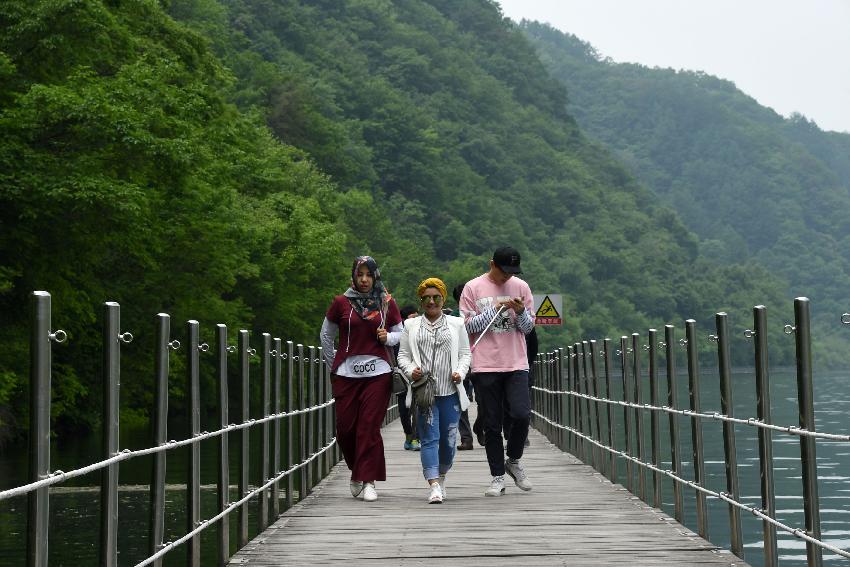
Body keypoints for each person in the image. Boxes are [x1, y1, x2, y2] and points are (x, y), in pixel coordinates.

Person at [320, 256, 403, 502]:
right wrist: (332, 366)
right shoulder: (340, 303)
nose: (365, 279)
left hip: (378, 372)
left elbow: (402, 334)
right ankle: (357, 471)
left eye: (369, 274)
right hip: (346, 374)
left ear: (375, 276)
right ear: (353, 277)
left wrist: (387, 337)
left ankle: (369, 480)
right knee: (345, 429)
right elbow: (326, 335)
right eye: (360, 274)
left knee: (368, 426)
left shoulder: (386, 302)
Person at [459, 246, 535, 496]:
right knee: (491, 423)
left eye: (512, 272)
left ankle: (513, 460)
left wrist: (520, 311)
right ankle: (497, 476)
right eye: (504, 271)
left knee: (521, 414)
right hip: (485, 364)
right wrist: (497, 309)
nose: (507, 277)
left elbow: (527, 328)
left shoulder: (521, 287)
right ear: (492, 264)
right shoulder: (472, 288)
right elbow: (469, 327)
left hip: (516, 362)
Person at [398, 278, 471, 503]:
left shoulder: (457, 324)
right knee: (429, 438)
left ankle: (441, 474)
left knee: (448, 441)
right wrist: (411, 371)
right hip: (424, 393)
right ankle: (434, 485)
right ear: (420, 301)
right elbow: (403, 356)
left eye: (436, 297)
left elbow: (465, 354)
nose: (431, 301)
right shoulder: (410, 326)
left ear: (443, 298)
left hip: (450, 391)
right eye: (426, 298)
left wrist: (460, 371)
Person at [452, 282, 475, 451]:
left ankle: (480, 428)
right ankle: (466, 438)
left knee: (487, 400)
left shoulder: (483, 313)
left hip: (483, 362)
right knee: (462, 399)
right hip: (461, 363)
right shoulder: (452, 317)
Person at [396, 305, 421, 451]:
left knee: (419, 406)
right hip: (402, 376)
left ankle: (416, 437)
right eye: (412, 318)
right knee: (404, 408)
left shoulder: (422, 332)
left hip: (418, 375)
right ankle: (408, 435)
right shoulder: (398, 335)